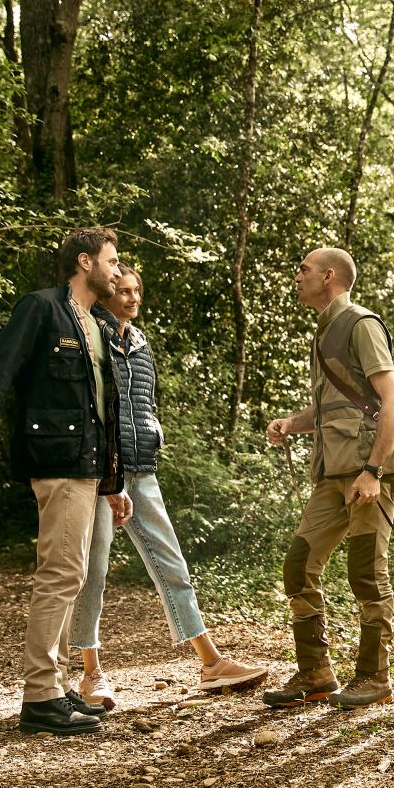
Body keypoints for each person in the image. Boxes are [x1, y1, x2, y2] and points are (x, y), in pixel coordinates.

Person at [0, 228, 128, 737]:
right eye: (112, 262)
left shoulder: (97, 323)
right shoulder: (41, 308)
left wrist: (113, 481)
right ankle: (40, 695)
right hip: (56, 461)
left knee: (71, 577)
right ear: (84, 262)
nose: (117, 272)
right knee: (60, 574)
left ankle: (59, 687)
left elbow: (102, 409)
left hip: (89, 464)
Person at [67, 264, 269, 706]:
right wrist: (107, 472)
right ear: (104, 295)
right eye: (123, 290)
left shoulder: (138, 342)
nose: (133, 297)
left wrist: (152, 431)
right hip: (103, 472)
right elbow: (91, 409)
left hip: (143, 469)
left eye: (137, 289)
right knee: (93, 571)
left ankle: (211, 663)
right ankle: (91, 674)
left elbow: (146, 401)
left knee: (172, 565)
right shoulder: (92, 337)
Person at [262, 248, 394, 709]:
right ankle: (315, 671)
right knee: (298, 565)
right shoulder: (325, 329)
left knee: (365, 572)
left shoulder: (360, 324)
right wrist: (292, 422)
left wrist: (372, 471)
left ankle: (374, 676)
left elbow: (392, 401)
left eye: (303, 269)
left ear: (329, 277)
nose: (296, 276)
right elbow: (338, 406)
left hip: (367, 473)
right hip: (332, 474)